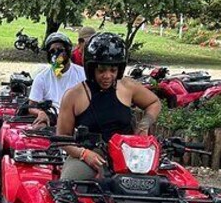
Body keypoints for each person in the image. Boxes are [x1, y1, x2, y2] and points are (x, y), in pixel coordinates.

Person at [57, 32, 161, 180]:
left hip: (130, 153)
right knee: (69, 185)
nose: (107, 76)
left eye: (113, 70)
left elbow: (154, 102)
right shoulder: (73, 95)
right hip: (93, 154)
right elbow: (62, 137)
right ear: (91, 68)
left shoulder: (127, 86)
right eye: (101, 70)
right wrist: (83, 154)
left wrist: (144, 125)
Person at [27, 31, 86, 128]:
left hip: (77, 116)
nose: (57, 54)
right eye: (52, 51)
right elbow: (31, 106)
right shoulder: (42, 77)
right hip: (51, 116)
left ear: (68, 51)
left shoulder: (82, 74)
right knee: (38, 127)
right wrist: (40, 113)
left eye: (60, 50)